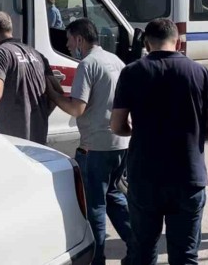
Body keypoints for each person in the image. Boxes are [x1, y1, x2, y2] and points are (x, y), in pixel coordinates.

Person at [110, 18, 208, 265]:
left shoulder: (131, 72)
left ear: (147, 44)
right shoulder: (202, 73)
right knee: (185, 255)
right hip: (188, 176)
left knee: (142, 252)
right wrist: (192, 136)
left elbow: (117, 126)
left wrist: (139, 132)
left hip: (145, 177)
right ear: (178, 42)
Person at [46, 18, 132, 265]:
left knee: (95, 205)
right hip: (121, 142)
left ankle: (97, 258)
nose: (67, 45)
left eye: (69, 40)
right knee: (114, 195)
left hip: (96, 146)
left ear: (80, 39)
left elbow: (77, 108)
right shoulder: (116, 61)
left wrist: (52, 93)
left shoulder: (87, 64)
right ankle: (138, 244)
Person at [0, 11, 58, 144]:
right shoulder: (37, 54)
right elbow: (57, 92)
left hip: (14, 139)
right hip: (39, 137)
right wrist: (42, 115)